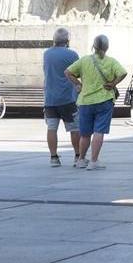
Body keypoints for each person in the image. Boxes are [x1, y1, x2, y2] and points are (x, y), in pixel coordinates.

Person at [64, 35, 126, 170]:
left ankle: (81, 159)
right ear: (107, 47)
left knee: (85, 133)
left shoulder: (85, 60)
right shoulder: (111, 62)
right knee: (99, 131)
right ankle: (93, 161)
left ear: (94, 46)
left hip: (85, 101)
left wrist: (78, 84)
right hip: (104, 100)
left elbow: (68, 72)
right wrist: (113, 83)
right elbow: (123, 73)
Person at [42, 28, 80, 167]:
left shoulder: (46, 54)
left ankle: (54, 157)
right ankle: (77, 156)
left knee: (52, 128)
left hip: (50, 98)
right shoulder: (72, 55)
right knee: (74, 128)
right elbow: (77, 73)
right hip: (68, 98)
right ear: (67, 41)